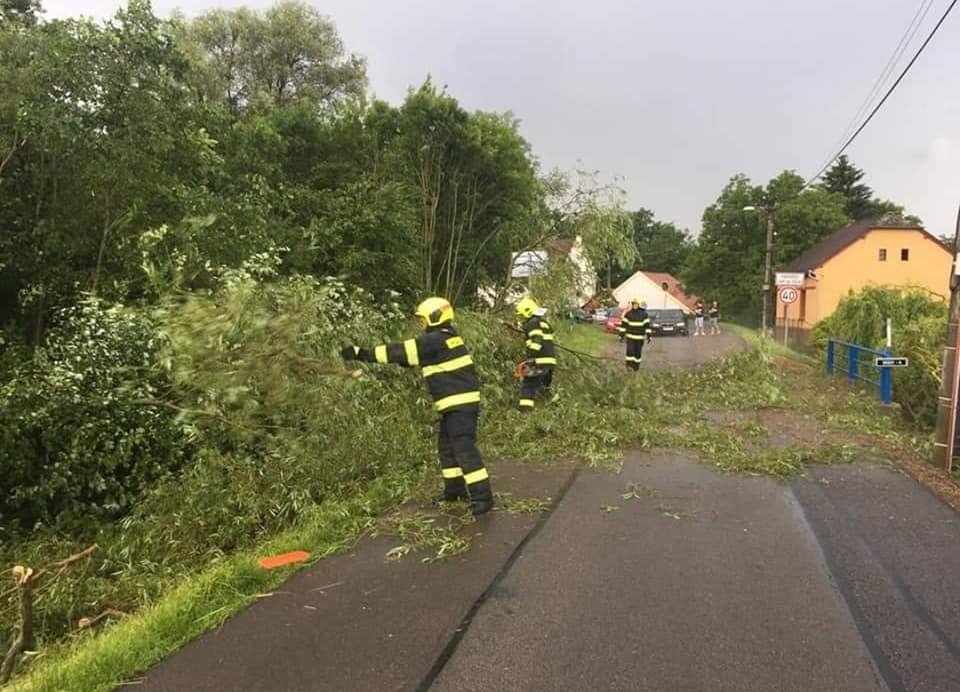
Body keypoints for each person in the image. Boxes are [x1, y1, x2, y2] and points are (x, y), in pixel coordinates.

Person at [341, 297, 494, 516]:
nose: (421, 325)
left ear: (434, 317)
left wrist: (360, 353)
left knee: (464, 449)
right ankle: (455, 491)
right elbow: (410, 357)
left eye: (423, 320)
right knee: (447, 448)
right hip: (457, 405)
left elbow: (398, 351)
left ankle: (483, 498)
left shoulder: (434, 340)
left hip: (458, 405)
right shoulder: (447, 338)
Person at [514, 297, 557, 412]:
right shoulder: (544, 323)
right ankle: (552, 410)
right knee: (544, 388)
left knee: (528, 386)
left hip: (539, 360)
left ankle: (524, 412)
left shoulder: (532, 324)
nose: (521, 317)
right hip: (550, 361)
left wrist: (529, 359)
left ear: (527, 312)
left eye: (521, 315)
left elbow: (537, 340)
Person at [618, 298, 652, 371]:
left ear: (639, 305)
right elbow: (624, 326)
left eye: (636, 304)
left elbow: (647, 327)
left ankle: (636, 367)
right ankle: (629, 366)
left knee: (637, 353)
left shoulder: (644, 315)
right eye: (633, 304)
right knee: (630, 352)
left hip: (639, 338)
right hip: (630, 337)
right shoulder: (628, 314)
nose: (634, 306)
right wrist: (621, 335)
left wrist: (649, 336)